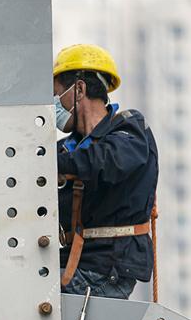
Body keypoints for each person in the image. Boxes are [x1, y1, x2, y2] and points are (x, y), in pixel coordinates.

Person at [54, 43, 158, 298]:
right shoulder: (67, 148)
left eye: (57, 95)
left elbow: (104, 162)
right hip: (77, 262)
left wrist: (50, 165)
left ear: (79, 89)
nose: (55, 104)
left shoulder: (130, 131)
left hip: (107, 267)